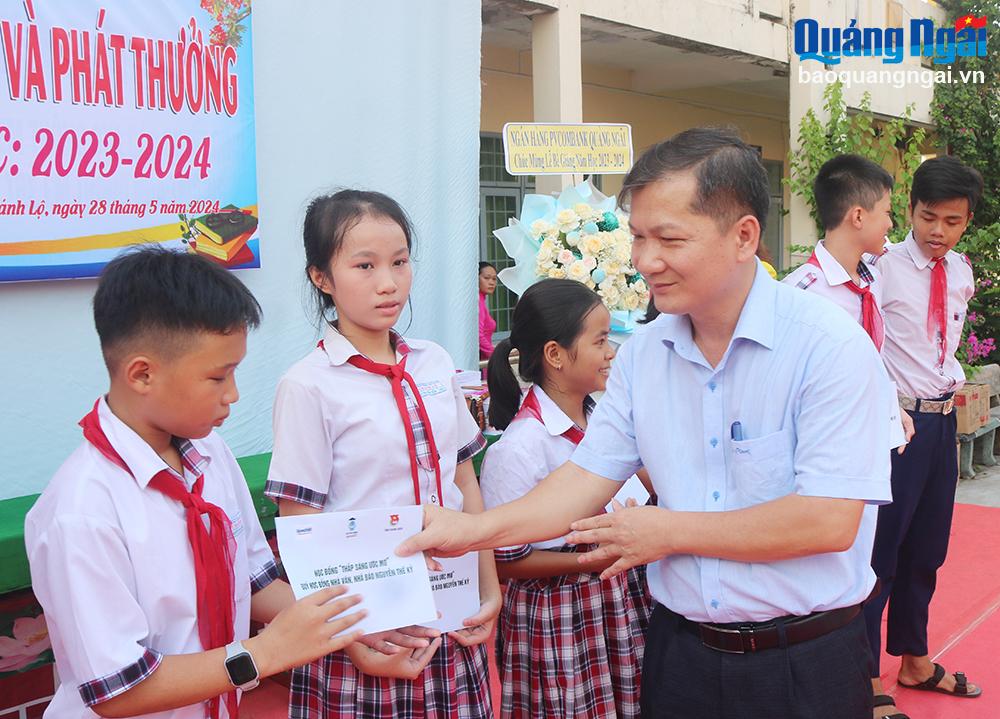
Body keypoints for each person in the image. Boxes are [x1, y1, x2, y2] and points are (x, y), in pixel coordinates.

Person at [399, 127, 896, 719]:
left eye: (669, 239)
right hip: (679, 655)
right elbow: (585, 479)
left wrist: (666, 532)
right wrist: (471, 531)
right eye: (637, 237)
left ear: (744, 236)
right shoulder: (645, 355)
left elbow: (827, 519)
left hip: (802, 661)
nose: (645, 261)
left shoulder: (827, 346)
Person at [24, 247, 368, 719]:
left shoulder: (209, 454)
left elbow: (254, 576)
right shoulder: (81, 513)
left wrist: (351, 625)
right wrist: (264, 655)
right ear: (142, 374)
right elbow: (120, 690)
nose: (233, 395)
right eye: (217, 376)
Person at [264, 190, 500, 719]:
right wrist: (352, 637)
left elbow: (464, 481)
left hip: (452, 608)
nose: (388, 282)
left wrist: (489, 587)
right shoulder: (308, 386)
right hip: (369, 627)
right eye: (364, 266)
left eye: (399, 262)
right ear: (321, 278)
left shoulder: (434, 363)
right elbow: (302, 525)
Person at [481, 278, 645, 719]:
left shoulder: (605, 421)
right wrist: (587, 560)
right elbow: (506, 560)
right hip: (558, 616)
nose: (611, 351)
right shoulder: (519, 448)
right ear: (555, 355)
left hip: (613, 596)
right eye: (599, 341)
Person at [863, 156, 984, 716]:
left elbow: (945, 348)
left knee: (927, 550)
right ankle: (863, 676)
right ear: (909, 209)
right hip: (896, 426)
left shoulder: (961, 272)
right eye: (928, 217)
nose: (938, 232)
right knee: (879, 554)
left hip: (942, 423)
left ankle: (914, 658)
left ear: (968, 221)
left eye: (952, 221)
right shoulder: (879, 268)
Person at [782, 153, 914, 455]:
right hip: (824, 447)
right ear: (858, 216)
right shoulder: (800, 294)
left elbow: (872, 362)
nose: (890, 223)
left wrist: (891, 409)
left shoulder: (871, 281)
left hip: (872, 440)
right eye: (886, 212)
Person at [479, 262, 498, 360]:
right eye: (486, 278)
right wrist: (496, 355)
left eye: (494, 279)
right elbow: (478, 336)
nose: (491, 282)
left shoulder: (481, 300)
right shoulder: (477, 300)